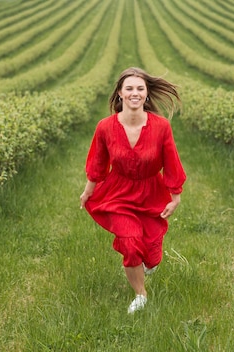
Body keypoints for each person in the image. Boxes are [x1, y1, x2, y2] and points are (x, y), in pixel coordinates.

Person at [79, 67, 186, 314]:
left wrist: (175, 196)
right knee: (129, 242)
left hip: (151, 192)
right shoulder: (105, 127)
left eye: (140, 88)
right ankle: (140, 295)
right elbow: (97, 163)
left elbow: (171, 161)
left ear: (147, 94)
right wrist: (88, 192)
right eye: (129, 88)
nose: (134, 93)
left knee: (151, 254)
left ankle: (149, 262)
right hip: (118, 193)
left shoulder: (161, 127)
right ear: (120, 93)